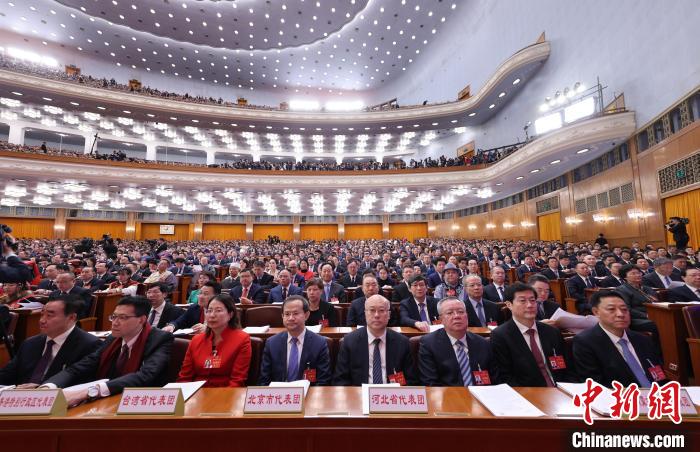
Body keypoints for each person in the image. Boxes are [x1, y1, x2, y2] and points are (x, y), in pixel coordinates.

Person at [42, 296, 173, 406]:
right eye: (114, 317)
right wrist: (49, 386)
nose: (115, 323)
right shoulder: (112, 339)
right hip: (109, 400)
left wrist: (92, 391)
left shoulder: (160, 339)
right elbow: (82, 366)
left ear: (142, 320)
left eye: (123, 317)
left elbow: (145, 375)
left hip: (141, 404)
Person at [491, 282, 577, 387]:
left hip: (562, 389)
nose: (530, 305)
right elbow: (505, 377)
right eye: (522, 301)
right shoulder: (501, 336)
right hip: (529, 392)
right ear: (509, 305)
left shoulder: (552, 332)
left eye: (532, 300)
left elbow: (569, 368)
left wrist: (568, 389)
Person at [0, 297, 100, 386]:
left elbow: (81, 384)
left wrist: (42, 389)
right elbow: (7, 375)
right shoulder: (30, 343)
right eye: (42, 314)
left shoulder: (89, 345)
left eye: (49, 315)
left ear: (71, 317)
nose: (42, 320)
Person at [573, 291, 665, 388]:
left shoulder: (642, 339)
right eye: (611, 309)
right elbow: (595, 385)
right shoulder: (585, 342)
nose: (620, 314)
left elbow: (658, 373)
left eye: (624, 309)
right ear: (596, 312)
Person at [333, 295, 418, 386]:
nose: (376, 315)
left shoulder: (402, 342)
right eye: (372, 310)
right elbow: (340, 380)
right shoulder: (349, 342)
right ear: (365, 314)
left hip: (392, 393)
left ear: (389, 315)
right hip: (359, 393)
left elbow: (411, 381)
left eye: (381, 310)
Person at [418, 297, 497, 386]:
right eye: (450, 313)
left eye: (461, 312)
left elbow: (495, 379)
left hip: (481, 393)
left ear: (467, 315)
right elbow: (430, 383)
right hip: (448, 394)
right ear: (441, 319)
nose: (457, 316)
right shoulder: (429, 344)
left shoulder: (483, 343)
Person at [177, 294, 251, 387]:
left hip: (226, 392)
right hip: (196, 392)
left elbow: (237, 380)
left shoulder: (242, 339)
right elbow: (184, 377)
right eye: (209, 311)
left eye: (218, 310)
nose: (212, 315)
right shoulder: (196, 340)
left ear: (230, 315)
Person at [258, 295, 332, 385]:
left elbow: (323, 380)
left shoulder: (319, 343)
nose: (291, 318)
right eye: (287, 314)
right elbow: (264, 380)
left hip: (308, 392)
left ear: (306, 315)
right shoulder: (272, 343)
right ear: (282, 316)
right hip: (279, 392)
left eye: (295, 313)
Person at [615, 265, 660, 335]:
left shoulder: (647, 288)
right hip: (635, 318)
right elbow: (626, 309)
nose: (638, 275)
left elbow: (656, 302)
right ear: (625, 277)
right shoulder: (622, 290)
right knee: (657, 324)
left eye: (639, 273)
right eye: (633, 273)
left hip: (654, 315)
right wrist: (647, 315)